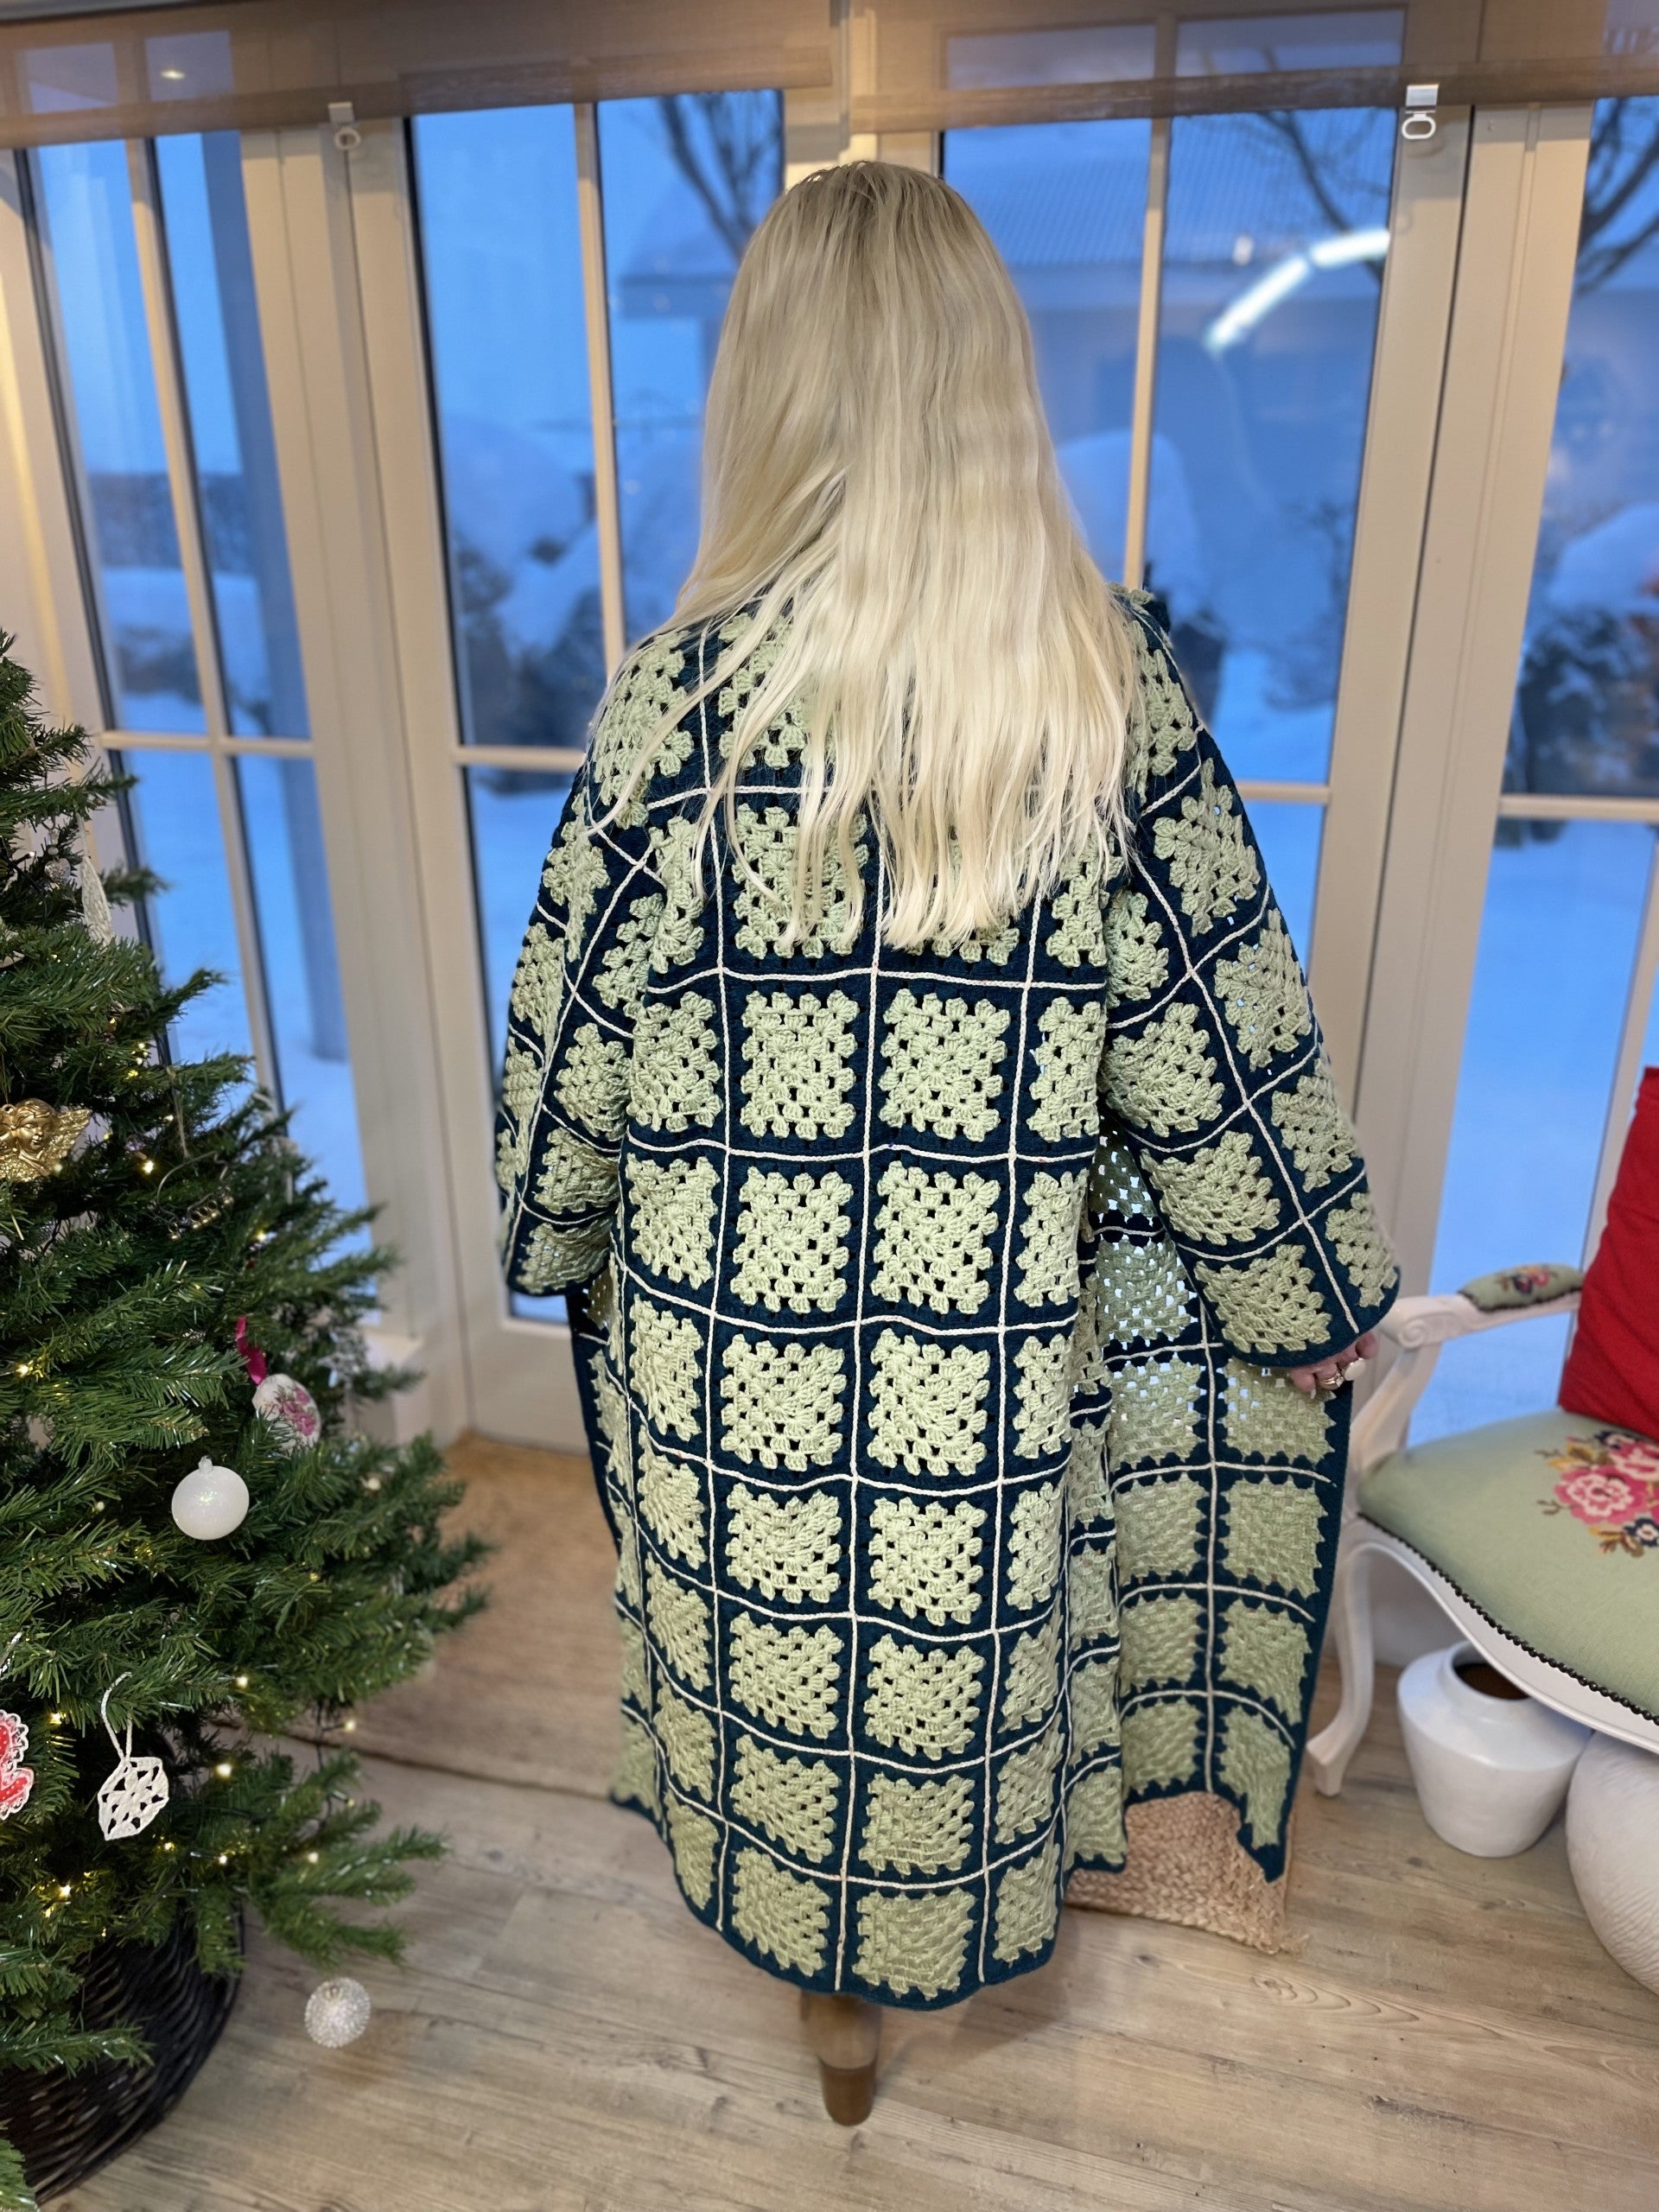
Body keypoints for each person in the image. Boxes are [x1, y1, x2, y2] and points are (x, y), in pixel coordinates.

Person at [495, 161, 1395, 2047]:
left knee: (772, 1697)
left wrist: (553, 1225)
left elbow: (571, 1048)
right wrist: (1304, 1290)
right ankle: (904, 1951)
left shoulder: (672, 711)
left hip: (728, 1387)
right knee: (942, 1704)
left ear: (769, 391)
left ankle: (826, 1989)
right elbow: (1222, 1040)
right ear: (988, 382)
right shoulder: (1100, 696)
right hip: (972, 1400)